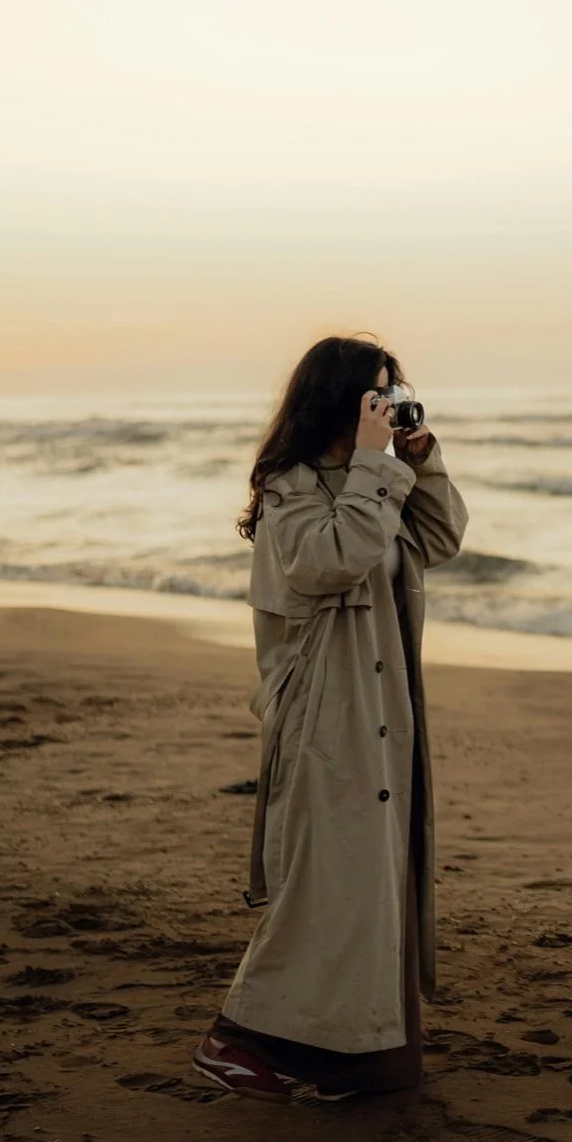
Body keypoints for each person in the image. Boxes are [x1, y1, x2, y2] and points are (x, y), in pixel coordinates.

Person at [194, 336, 468, 1103]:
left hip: (380, 704)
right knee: (327, 883)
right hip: (323, 709)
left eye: (394, 391)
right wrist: (379, 469)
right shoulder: (291, 489)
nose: (387, 406)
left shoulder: (369, 479)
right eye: (375, 396)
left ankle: (339, 1053)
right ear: (339, 402)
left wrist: (420, 458)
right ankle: (236, 1036)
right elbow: (329, 560)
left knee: (370, 881)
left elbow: (440, 539)